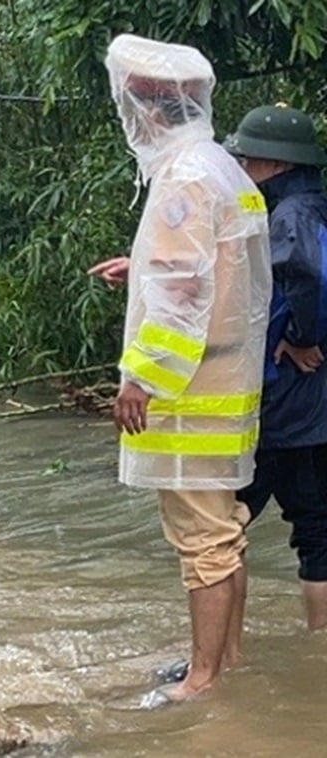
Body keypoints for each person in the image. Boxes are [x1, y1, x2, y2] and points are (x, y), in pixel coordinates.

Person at [103, 34, 271, 707]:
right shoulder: (222, 167)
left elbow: (179, 289)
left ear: (145, 108)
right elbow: (216, 272)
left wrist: (139, 378)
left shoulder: (183, 177)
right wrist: (138, 266)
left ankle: (201, 682)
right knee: (224, 531)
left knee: (202, 540)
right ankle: (225, 664)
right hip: (226, 381)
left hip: (188, 389)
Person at [222, 105, 327, 629]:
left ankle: (216, 660)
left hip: (289, 400)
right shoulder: (311, 206)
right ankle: (311, 662)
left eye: (244, 157)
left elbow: (308, 275)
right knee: (317, 529)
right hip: (311, 402)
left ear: (271, 162)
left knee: (224, 523)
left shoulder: (292, 216)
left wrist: (300, 337)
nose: (239, 165)